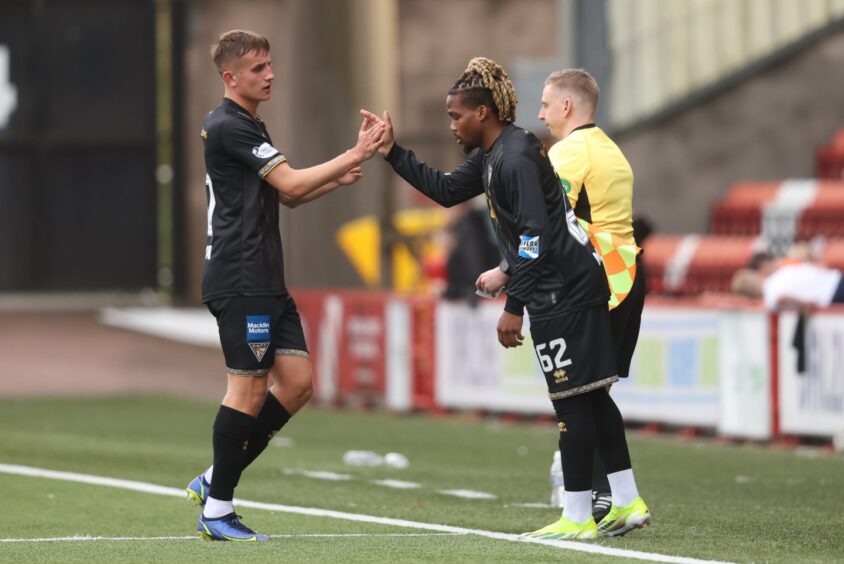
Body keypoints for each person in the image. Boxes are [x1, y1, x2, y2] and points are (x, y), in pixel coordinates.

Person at [362, 57, 650, 539]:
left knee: (572, 400)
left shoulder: (514, 158)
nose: (451, 125)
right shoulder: (499, 153)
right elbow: (447, 190)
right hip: (571, 281)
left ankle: (577, 516)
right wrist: (393, 152)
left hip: (565, 287)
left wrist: (514, 305)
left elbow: (536, 233)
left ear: (483, 113)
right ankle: (626, 500)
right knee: (593, 397)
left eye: (456, 116)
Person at [186, 29, 384, 542]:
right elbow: (291, 182)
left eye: (270, 65)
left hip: (266, 279)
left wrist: (331, 180)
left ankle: (212, 479)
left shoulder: (247, 122)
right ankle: (218, 510)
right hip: (241, 276)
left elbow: (289, 196)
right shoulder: (230, 125)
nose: (270, 74)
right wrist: (355, 153)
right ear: (230, 77)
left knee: (297, 386)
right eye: (258, 69)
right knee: (247, 389)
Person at [476, 68, 644, 522]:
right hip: (625, 275)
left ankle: (593, 499)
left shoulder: (569, 152)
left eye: (546, 105)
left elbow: (547, 224)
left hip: (594, 281)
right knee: (595, 392)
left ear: (567, 107)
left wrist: (507, 271)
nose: (540, 114)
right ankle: (619, 497)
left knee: (579, 392)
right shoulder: (612, 150)